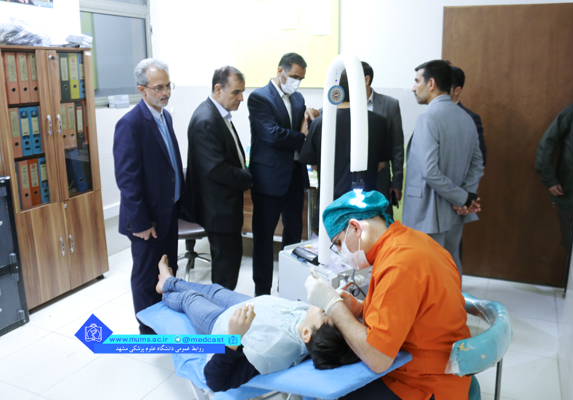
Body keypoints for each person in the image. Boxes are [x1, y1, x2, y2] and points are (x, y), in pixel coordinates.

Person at [304, 190, 472, 400]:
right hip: (445, 368)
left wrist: (332, 305)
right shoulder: (413, 241)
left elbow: (378, 359)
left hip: (425, 385)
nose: (341, 253)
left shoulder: (398, 264)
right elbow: (408, 310)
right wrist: (359, 308)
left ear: (355, 228)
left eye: (338, 243)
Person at [154, 255, 360, 392]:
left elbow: (215, 380)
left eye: (325, 312)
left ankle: (166, 287)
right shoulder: (310, 326)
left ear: (306, 333)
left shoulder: (271, 351)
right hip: (248, 308)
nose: (327, 307)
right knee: (212, 290)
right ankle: (170, 281)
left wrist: (232, 338)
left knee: (191, 299)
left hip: (220, 324)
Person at [114, 58, 191, 334]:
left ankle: (166, 319)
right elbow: (127, 180)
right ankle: (147, 329)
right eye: (158, 87)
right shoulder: (130, 124)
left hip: (168, 211)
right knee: (147, 275)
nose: (165, 92)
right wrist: (141, 223)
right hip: (147, 220)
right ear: (141, 89)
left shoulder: (164, 116)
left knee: (168, 268)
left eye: (168, 86)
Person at [403, 60, 484, 275]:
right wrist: (466, 196)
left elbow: (429, 172)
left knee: (426, 272)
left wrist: (463, 198)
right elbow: (477, 164)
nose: (413, 87)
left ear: (431, 84)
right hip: (455, 213)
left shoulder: (428, 117)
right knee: (450, 267)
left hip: (427, 213)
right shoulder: (466, 118)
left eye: (417, 81)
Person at [248, 52, 319, 296]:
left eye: (301, 78)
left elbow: (303, 126)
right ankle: (262, 293)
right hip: (268, 180)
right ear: (280, 71)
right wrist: (302, 135)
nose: (297, 82)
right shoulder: (260, 97)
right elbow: (272, 134)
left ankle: (287, 289)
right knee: (264, 238)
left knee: (293, 237)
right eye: (294, 76)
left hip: (295, 178)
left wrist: (312, 114)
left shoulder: (298, 98)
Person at [186, 66, 253, 290]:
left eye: (242, 92)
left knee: (229, 263)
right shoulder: (206, 120)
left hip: (224, 206)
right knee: (226, 269)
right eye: (236, 92)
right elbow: (216, 169)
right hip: (218, 210)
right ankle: (222, 309)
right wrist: (247, 178)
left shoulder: (218, 114)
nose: (241, 98)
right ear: (218, 89)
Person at [299, 69, 392, 229]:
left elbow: (313, 165)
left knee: (328, 244)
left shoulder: (320, 123)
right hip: (365, 209)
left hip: (330, 207)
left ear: (337, 91)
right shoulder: (378, 122)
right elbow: (381, 164)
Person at [535, 99, 573, 287]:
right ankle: (572, 290)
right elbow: (547, 144)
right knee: (572, 244)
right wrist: (549, 179)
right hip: (569, 194)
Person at [362, 61, 405, 213]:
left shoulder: (390, 105)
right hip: (350, 178)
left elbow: (397, 146)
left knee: (381, 220)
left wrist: (396, 182)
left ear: (366, 80)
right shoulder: (342, 104)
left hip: (380, 178)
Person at [449, 66, 487, 166]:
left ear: (457, 91)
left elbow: (479, 159)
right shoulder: (428, 114)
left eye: (444, 86)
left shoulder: (470, 118)